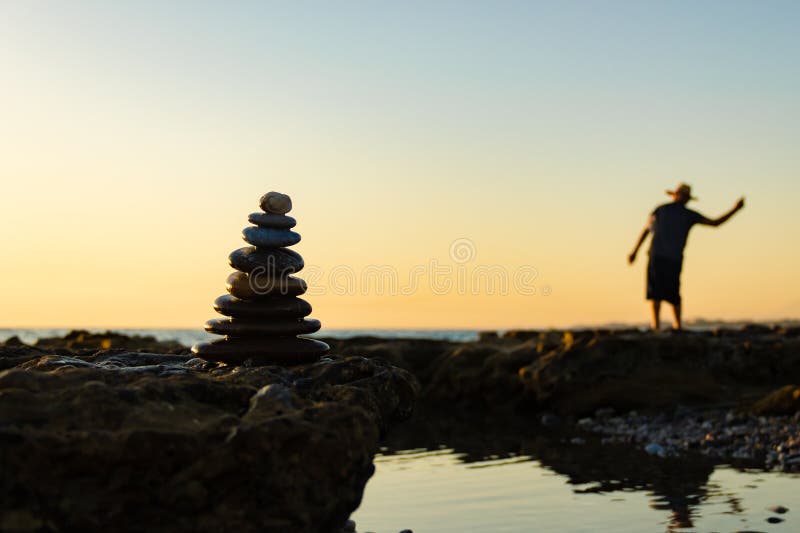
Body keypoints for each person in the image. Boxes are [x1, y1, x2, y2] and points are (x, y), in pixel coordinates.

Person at [628, 183, 745, 330]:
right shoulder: (662, 210)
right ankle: (659, 326)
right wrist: (635, 251)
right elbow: (647, 229)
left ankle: (672, 325)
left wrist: (735, 210)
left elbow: (715, 223)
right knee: (658, 292)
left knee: (668, 292)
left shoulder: (683, 214)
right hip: (661, 255)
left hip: (669, 257)